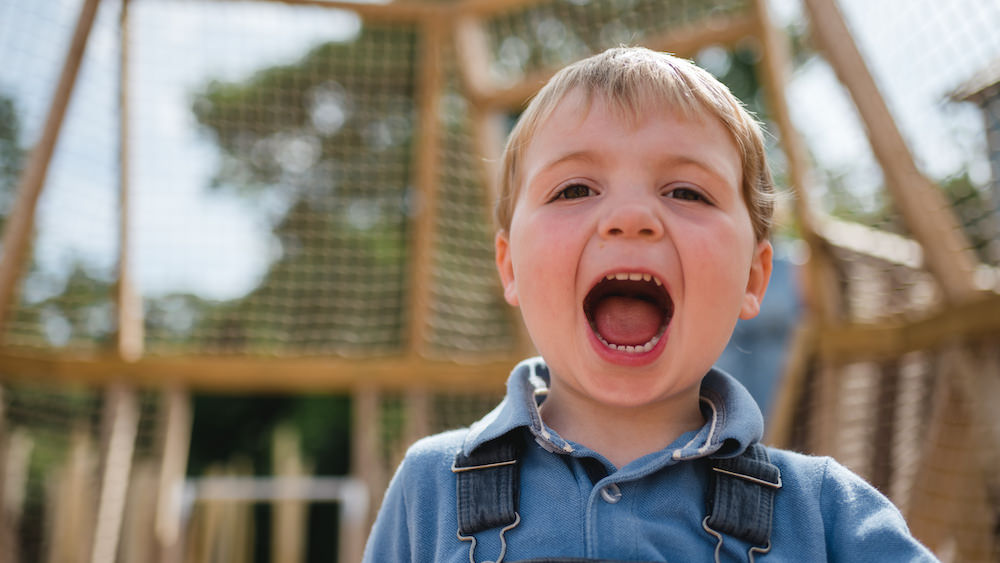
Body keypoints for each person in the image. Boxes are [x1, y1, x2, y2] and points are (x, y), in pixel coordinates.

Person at [363, 46, 937, 562]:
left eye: (686, 191)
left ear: (754, 278)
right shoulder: (432, 488)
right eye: (575, 189)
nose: (630, 218)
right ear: (510, 267)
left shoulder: (824, 515)